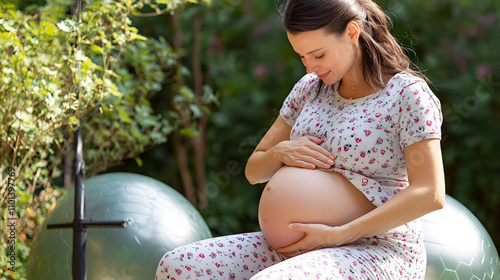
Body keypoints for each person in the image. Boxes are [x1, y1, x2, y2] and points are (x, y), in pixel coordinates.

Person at [155, 0, 445, 279]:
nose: (309, 67)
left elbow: (430, 192)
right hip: (296, 248)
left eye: (318, 55)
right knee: (178, 266)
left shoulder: (406, 94)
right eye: (302, 57)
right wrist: (280, 152)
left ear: (352, 32)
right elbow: (254, 171)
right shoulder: (310, 89)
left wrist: (342, 233)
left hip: (374, 246)